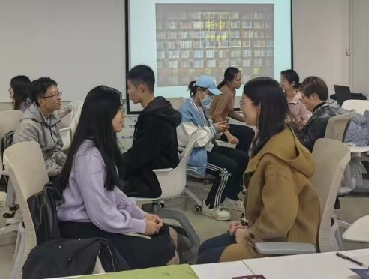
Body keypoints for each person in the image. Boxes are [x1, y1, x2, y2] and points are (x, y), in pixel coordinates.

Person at [197, 77, 320, 263]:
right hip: (268, 233)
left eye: (243, 103)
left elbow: (278, 221)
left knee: (207, 258)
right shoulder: (276, 136)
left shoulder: (276, 161)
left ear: (260, 107)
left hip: (280, 241)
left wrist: (250, 234)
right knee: (206, 248)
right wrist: (247, 224)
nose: (241, 107)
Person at [57, 85, 178, 269]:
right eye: (119, 110)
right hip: (82, 230)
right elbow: (102, 215)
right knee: (166, 250)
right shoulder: (89, 157)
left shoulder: (100, 149)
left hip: (96, 222)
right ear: (104, 116)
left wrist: (142, 215)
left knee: (167, 234)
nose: (123, 116)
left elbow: (113, 193)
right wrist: (140, 226)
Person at [178, 76, 248, 221]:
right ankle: (210, 205)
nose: (210, 98)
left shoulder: (201, 109)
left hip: (207, 147)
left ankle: (230, 196)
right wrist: (213, 129)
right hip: (194, 153)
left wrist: (219, 130)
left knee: (243, 158)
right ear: (199, 91)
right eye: (209, 94)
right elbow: (193, 139)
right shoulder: (185, 110)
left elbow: (208, 131)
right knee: (227, 168)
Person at [122, 65, 182, 198]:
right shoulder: (159, 112)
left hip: (153, 179)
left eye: (129, 87)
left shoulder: (155, 118)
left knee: (108, 185)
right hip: (154, 171)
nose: (128, 92)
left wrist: (113, 166)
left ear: (141, 88)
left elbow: (139, 156)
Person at [0, 75, 32, 209]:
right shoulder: (25, 104)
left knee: (6, 159)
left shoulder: (26, 106)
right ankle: (2, 193)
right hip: (22, 143)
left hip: (26, 146)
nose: (9, 90)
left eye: (11, 88)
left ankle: (2, 195)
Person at [14, 77, 71, 179]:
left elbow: (55, 150)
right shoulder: (28, 126)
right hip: (34, 179)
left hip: (50, 171)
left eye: (58, 93)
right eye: (54, 95)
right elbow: (33, 164)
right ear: (41, 101)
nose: (59, 98)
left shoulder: (52, 118)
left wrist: (67, 163)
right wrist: (63, 171)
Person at [209, 67, 255, 154]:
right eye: (238, 80)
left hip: (222, 124)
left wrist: (245, 120)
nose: (240, 82)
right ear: (229, 81)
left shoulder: (232, 91)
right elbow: (216, 115)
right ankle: (240, 157)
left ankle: (240, 156)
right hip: (215, 126)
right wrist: (227, 134)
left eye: (240, 79)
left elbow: (230, 112)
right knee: (248, 133)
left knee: (248, 132)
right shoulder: (226, 92)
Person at [298, 76, 341, 152]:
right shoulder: (331, 111)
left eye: (303, 97)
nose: (302, 101)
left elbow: (305, 145)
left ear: (314, 96)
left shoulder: (320, 119)